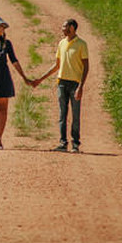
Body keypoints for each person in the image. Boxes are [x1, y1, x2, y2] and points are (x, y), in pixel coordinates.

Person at [31, 18, 89, 152]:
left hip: (75, 84)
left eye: (64, 26)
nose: (62, 29)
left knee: (75, 115)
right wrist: (41, 79)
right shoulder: (61, 43)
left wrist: (81, 87)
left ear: (72, 28)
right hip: (62, 83)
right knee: (62, 115)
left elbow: (86, 67)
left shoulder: (82, 44)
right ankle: (63, 143)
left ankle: (75, 144)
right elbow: (57, 65)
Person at [0, 16, 33, 150]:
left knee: (3, 108)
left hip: (3, 76)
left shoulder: (7, 44)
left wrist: (24, 77)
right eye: (0, 26)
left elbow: (14, 61)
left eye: (3, 27)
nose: (3, 29)